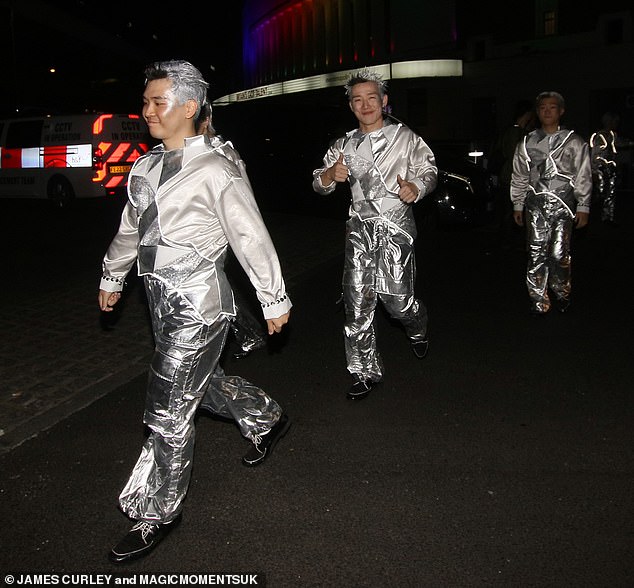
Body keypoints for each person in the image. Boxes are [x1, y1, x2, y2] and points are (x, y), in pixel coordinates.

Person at [98, 60, 292, 564]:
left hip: (200, 303)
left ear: (189, 106)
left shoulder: (217, 169)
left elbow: (249, 233)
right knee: (199, 386)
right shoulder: (143, 167)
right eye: (145, 101)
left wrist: (273, 297)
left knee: (166, 409)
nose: (147, 111)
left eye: (158, 101)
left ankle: (160, 510)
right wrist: (112, 274)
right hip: (158, 300)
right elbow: (130, 228)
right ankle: (265, 416)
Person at [312, 69, 438, 400]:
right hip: (359, 228)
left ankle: (417, 322)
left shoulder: (405, 137)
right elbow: (317, 181)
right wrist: (329, 175)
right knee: (357, 302)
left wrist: (416, 186)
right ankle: (364, 371)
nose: (365, 105)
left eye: (372, 98)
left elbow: (429, 169)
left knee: (396, 302)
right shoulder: (344, 144)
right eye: (358, 100)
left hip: (396, 226)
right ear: (351, 106)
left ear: (383, 101)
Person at [195, 102, 267, 359]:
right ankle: (247, 334)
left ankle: (244, 334)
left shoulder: (223, 153)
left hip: (221, 233)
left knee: (216, 286)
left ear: (205, 120)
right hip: (200, 236)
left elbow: (243, 199)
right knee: (220, 286)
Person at [510, 91, 592, 316]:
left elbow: (583, 174)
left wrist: (583, 205)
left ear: (561, 111)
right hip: (535, 204)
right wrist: (518, 203)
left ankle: (561, 291)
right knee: (536, 252)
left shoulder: (574, 142)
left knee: (558, 252)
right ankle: (538, 300)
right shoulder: (528, 141)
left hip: (564, 205)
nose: (547, 111)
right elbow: (519, 174)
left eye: (552, 107)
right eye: (543, 107)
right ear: (537, 112)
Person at [488, 100, 536, 249]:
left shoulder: (512, 131)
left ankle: (506, 240)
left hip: (508, 177)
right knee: (509, 212)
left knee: (508, 211)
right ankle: (506, 242)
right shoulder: (516, 133)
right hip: (511, 178)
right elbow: (515, 156)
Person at [589, 112, 619, 225]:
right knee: (599, 193)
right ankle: (594, 217)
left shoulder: (612, 135)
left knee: (610, 192)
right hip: (600, 168)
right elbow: (595, 154)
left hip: (609, 168)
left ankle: (607, 217)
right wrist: (594, 170)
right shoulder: (600, 136)